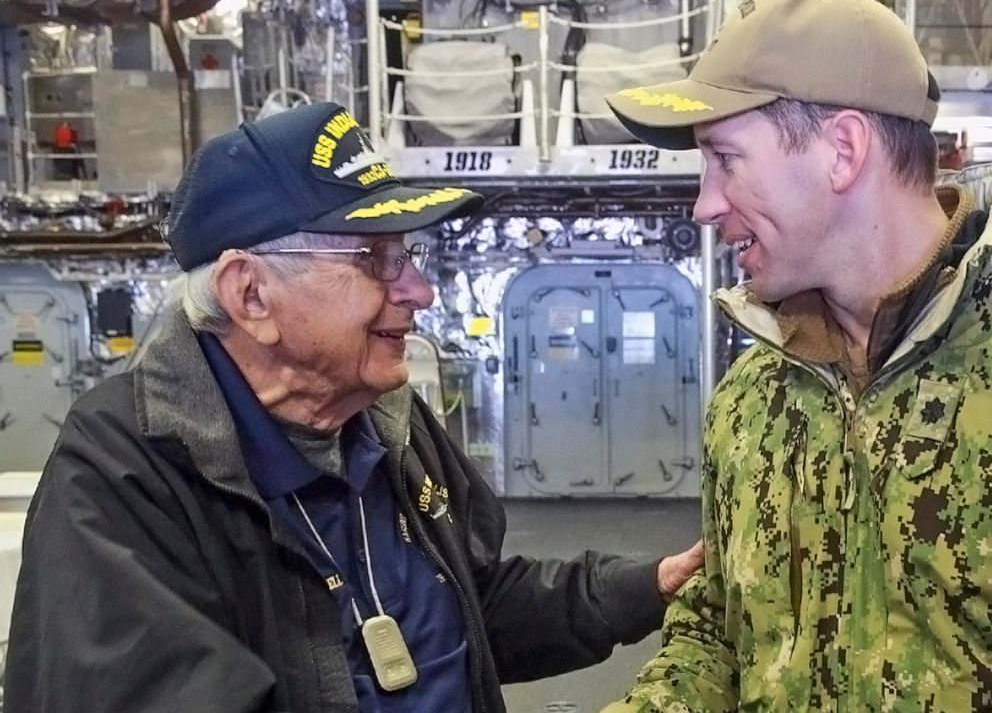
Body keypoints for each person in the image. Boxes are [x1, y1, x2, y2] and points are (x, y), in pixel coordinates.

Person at [3, 101, 703, 713]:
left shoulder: (386, 425)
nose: (420, 291)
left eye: (410, 255)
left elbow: (471, 610)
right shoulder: (124, 478)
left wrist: (640, 587)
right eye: (375, 259)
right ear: (251, 294)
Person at [601, 0, 992, 712]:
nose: (704, 203)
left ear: (841, 151)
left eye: (725, 158)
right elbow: (717, 631)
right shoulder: (754, 398)